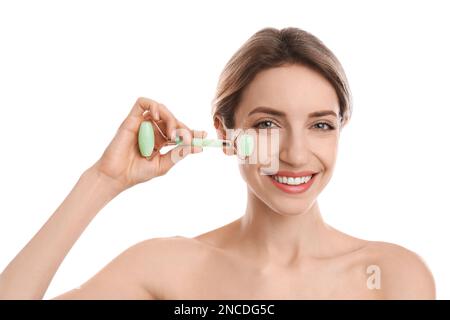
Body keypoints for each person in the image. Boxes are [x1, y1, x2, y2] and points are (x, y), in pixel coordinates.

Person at [0, 27, 435, 299]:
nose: (297, 154)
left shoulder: (391, 277)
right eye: (268, 123)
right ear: (226, 135)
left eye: (320, 126)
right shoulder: (166, 268)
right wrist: (102, 180)